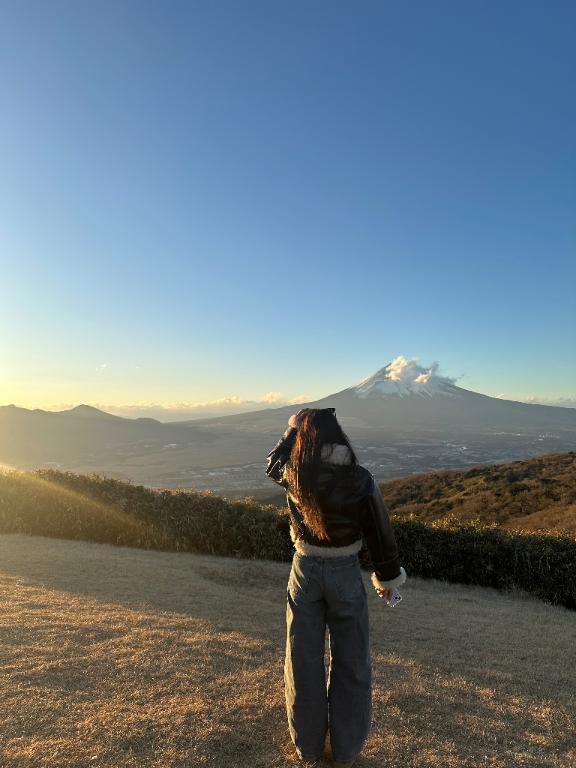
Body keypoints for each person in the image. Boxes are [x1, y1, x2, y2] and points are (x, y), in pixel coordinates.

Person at [266, 407, 407, 768]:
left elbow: (272, 462)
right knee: (352, 661)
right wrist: (387, 579)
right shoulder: (359, 478)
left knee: (302, 658)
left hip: (305, 571)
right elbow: (380, 533)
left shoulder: (295, 473)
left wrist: (291, 429)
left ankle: (308, 747)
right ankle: (346, 751)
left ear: (304, 437)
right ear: (338, 435)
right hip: (345, 572)